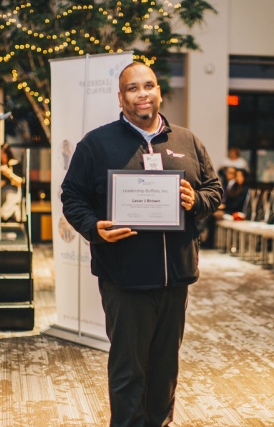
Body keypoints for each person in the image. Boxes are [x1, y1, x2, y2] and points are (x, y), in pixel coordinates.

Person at [61, 62, 222, 426]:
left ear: (159, 91)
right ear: (121, 98)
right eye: (132, 89)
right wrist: (93, 228)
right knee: (128, 371)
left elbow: (214, 189)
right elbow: (72, 196)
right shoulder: (97, 144)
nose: (142, 94)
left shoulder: (187, 141)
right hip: (124, 279)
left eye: (148, 86)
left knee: (165, 370)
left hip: (175, 278)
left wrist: (196, 200)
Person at [0, 143, 24, 222]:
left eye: (3, 153)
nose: (1, 156)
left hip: (12, 191)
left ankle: (4, 215)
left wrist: (10, 175)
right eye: (0, 153)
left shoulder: (15, 164)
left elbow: (20, 182)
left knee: (11, 196)